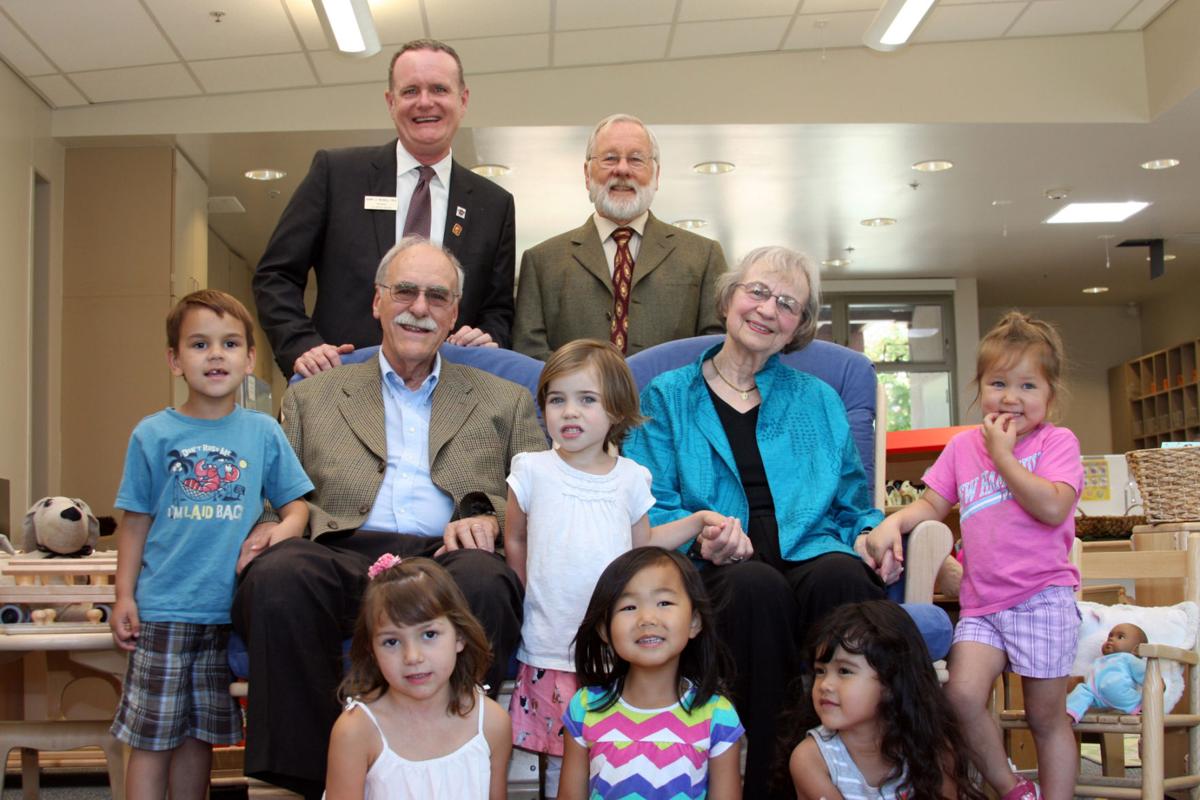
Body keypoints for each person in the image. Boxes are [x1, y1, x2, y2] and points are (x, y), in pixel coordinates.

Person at [233, 236, 547, 798]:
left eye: (437, 297)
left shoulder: (506, 400)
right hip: (337, 548)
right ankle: (313, 779)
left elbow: (536, 493)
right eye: (405, 291)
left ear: (454, 315)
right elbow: (275, 496)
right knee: (279, 576)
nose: (419, 307)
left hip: (444, 553)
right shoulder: (312, 395)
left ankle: (447, 766)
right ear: (377, 301)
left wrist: (487, 515)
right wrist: (273, 526)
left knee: (487, 580)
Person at [623, 245, 888, 799]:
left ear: (798, 327)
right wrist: (704, 533)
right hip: (713, 559)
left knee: (845, 578)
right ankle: (770, 783)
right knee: (754, 587)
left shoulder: (818, 398)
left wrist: (867, 533)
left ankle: (855, 775)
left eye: (787, 304)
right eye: (758, 292)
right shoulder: (668, 396)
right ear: (728, 300)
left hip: (810, 544)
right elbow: (649, 500)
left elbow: (850, 497)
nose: (768, 310)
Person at [504, 339, 737, 795]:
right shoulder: (530, 470)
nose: (569, 412)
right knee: (559, 757)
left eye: (586, 400)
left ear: (616, 411)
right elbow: (515, 536)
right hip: (550, 640)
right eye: (557, 400)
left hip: (614, 647)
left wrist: (695, 521)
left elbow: (643, 545)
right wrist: (526, 590)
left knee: (611, 745)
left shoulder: (631, 477)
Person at [866, 311, 1083, 800]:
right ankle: (1013, 790)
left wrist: (1004, 456)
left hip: (1042, 596)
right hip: (983, 602)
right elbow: (931, 503)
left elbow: (1053, 506)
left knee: (1044, 717)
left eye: (1028, 385)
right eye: (998, 382)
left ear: (1051, 394)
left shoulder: (1057, 443)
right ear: (979, 386)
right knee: (961, 697)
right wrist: (892, 522)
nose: (1011, 397)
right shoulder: (964, 447)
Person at [109, 290, 313, 800]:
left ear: (249, 360)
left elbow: (298, 508)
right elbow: (134, 524)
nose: (215, 355)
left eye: (229, 344)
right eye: (200, 344)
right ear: (175, 360)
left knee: (203, 739)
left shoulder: (264, 432)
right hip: (163, 612)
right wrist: (124, 596)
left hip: (229, 616)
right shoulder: (152, 434)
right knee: (152, 739)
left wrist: (278, 532)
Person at [253, 38, 516, 379]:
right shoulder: (337, 174)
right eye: (410, 91)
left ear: (462, 100)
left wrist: (489, 336)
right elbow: (275, 275)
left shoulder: (493, 204)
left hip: (453, 402)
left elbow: (498, 310)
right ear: (391, 102)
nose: (425, 102)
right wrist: (301, 346)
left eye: (439, 89)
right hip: (339, 387)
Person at [513, 113, 727, 360]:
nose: (622, 169)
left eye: (636, 159)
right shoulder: (541, 261)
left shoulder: (703, 256)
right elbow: (528, 353)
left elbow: (715, 351)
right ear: (586, 173)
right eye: (610, 158)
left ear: (656, 175)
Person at [560, 547, 744, 800]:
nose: (647, 618)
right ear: (604, 629)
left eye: (664, 603)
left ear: (694, 622)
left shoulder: (718, 716)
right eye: (629, 607)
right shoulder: (584, 707)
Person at [326, 556, 511, 800]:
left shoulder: (492, 722)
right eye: (391, 642)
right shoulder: (356, 731)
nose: (412, 657)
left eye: (429, 634)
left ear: (459, 637)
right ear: (372, 651)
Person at [783, 601, 985, 800]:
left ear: (890, 682)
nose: (825, 684)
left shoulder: (933, 750)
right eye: (820, 671)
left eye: (844, 671)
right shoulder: (812, 759)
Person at [1066, 623, 1147, 723]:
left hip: (1120, 693)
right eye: (1110, 636)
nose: (1111, 639)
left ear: (1135, 650)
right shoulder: (1099, 660)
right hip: (1095, 694)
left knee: (1134, 715)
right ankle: (1070, 713)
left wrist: (1157, 683)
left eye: (1120, 637)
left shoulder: (1128, 658)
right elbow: (1090, 677)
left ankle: (1139, 709)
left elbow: (1144, 673)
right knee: (1082, 690)